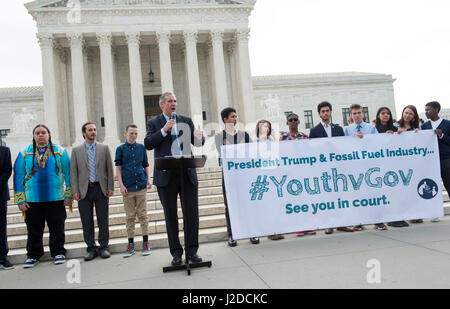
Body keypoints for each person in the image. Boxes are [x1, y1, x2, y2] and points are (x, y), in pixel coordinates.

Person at [144, 92, 205, 266]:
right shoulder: (154, 123)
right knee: (170, 216)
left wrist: (200, 136)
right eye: (170, 101)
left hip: (187, 173)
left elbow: (197, 143)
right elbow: (148, 143)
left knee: (191, 215)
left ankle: (192, 251)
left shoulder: (185, 120)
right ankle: (176, 253)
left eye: (175, 101)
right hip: (166, 176)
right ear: (162, 104)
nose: (174, 104)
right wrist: (164, 130)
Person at [13, 124, 72, 268]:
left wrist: (68, 194)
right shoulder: (24, 153)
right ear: (33, 136)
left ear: (49, 135)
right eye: (37, 133)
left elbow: (68, 173)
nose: (40, 135)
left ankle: (58, 252)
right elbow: (18, 176)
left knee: (57, 227)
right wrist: (20, 200)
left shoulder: (60, 151)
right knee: (33, 229)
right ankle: (33, 255)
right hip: (33, 200)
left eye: (43, 132)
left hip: (56, 198)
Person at [214, 108, 259, 247]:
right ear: (225, 119)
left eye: (236, 116)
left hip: (244, 175)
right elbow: (223, 152)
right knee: (230, 206)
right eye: (232, 117)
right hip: (228, 176)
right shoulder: (219, 137)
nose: (235, 119)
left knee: (248, 204)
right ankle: (232, 234)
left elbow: (251, 151)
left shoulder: (244, 135)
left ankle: (251, 232)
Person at [70, 122, 114, 261]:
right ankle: (90, 248)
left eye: (95, 130)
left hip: (100, 189)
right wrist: (75, 190)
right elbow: (73, 172)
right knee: (86, 221)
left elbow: (109, 168)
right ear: (84, 133)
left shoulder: (104, 148)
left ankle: (104, 247)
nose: (93, 132)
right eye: (90, 130)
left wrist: (110, 187)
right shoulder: (76, 150)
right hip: (84, 190)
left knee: (103, 219)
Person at [309, 101, 354, 234]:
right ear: (319, 114)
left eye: (327, 110)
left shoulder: (338, 129)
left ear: (331, 112)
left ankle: (342, 223)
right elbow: (312, 151)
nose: (325, 113)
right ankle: (330, 224)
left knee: (341, 196)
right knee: (327, 197)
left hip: (338, 168)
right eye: (323, 111)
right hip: (324, 169)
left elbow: (344, 147)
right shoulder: (314, 130)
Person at [115, 124, 152, 257]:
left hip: (141, 186)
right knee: (130, 216)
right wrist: (121, 185)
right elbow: (118, 168)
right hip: (128, 187)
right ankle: (130, 244)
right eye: (131, 133)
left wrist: (148, 179)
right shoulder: (120, 149)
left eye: (136, 133)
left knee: (143, 215)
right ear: (125, 133)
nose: (134, 136)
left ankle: (146, 242)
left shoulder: (141, 148)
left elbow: (146, 165)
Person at [344, 104, 382, 231]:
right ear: (351, 115)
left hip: (370, 166)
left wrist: (366, 139)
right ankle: (358, 221)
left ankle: (378, 220)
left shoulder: (371, 128)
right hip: (355, 167)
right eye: (354, 113)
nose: (357, 115)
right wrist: (353, 140)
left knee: (373, 193)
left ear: (363, 113)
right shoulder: (348, 130)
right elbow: (344, 147)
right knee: (358, 195)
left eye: (359, 112)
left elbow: (377, 144)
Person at [280, 113, 315, 237]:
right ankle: (299, 226)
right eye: (290, 120)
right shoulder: (283, 138)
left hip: (304, 173)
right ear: (287, 123)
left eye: (295, 119)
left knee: (306, 200)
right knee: (295, 201)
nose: (293, 121)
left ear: (299, 121)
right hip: (291, 174)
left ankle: (309, 226)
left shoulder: (305, 137)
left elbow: (310, 154)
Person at [375, 107, 408, 228]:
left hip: (393, 165)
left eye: (388, 113)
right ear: (378, 115)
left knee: (395, 192)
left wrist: (398, 135)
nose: (385, 115)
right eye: (383, 113)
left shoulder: (395, 129)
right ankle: (386, 217)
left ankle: (397, 217)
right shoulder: (374, 130)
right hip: (380, 165)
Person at [421, 101, 450, 223]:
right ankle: (434, 212)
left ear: (436, 109)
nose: (426, 112)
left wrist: (442, 135)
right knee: (431, 185)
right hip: (431, 160)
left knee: (448, 183)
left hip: (445, 158)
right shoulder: (425, 126)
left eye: (429, 110)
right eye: (425, 110)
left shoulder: (447, 124)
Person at [394, 105, 422, 224]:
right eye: (406, 113)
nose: (407, 115)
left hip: (413, 163)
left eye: (410, 114)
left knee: (413, 189)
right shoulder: (396, 126)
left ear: (414, 116)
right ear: (402, 113)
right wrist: (397, 134)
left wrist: (419, 134)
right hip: (400, 163)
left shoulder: (417, 127)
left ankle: (415, 214)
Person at [0, 146, 13, 270]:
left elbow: (7, 171)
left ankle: (3, 257)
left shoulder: (4, 151)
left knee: (1, 227)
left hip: (0, 195)